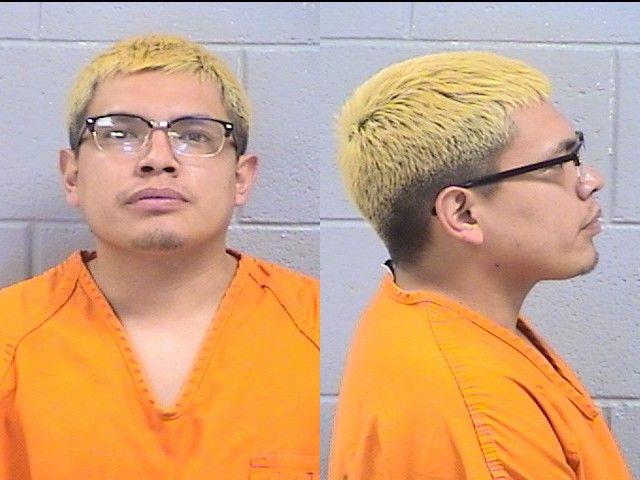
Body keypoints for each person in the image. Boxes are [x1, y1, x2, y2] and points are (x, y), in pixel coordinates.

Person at [0, 34, 318, 479]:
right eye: (119, 133)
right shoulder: (10, 337)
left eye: (195, 135)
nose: (158, 159)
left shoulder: (320, 328)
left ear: (241, 179)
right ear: (72, 176)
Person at [328, 51, 631, 479]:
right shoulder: (480, 419)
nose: (591, 180)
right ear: (464, 214)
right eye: (557, 164)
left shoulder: (432, 321)